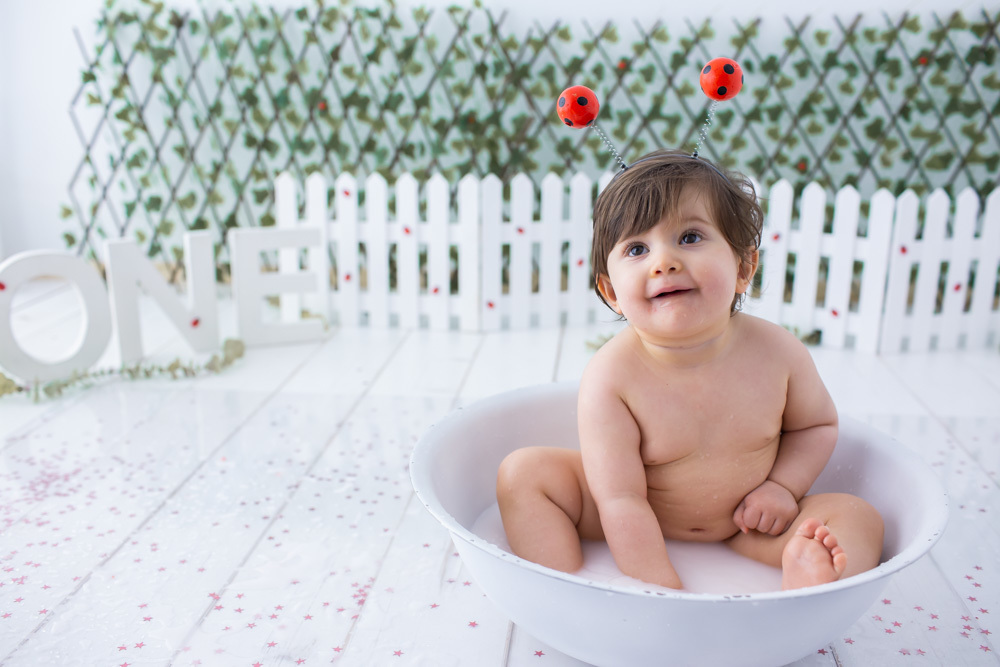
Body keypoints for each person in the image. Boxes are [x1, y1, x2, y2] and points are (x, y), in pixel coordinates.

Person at [496, 149, 883, 590]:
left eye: (690, 237)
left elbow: (815, 426)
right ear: (611, 292)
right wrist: (660, 588)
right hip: (629, 513)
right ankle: (560, 584)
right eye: (637, 249)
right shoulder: (612, 377)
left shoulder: (779, 354)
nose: (664, 262)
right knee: (523, 474)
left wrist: (782, 487)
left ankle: (809, 582)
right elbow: (620, 498)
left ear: (744, 266)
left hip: (748, 524)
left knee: (858, 517)